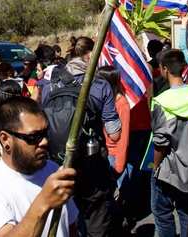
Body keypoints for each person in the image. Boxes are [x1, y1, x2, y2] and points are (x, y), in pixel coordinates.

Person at [41, 37, 121, 237]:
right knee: (96, 215)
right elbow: (115, 133)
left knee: (65, 218)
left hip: (58, 163)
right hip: (91, 163)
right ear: (89, 56)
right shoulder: (100, 85)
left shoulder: (49, 85)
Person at [0, 96, 78, 237]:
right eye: (33, 137)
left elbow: (70, 225)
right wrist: (43, 203)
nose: (44, 142)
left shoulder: (53, 171)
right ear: (5, 139)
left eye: (45, 133)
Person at [151, 49, 188, 237]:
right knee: (186, 212)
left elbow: (161, 143)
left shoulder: (161, 102)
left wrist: (155, 166)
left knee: (162, 214)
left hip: (168, 170)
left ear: (164, 69)